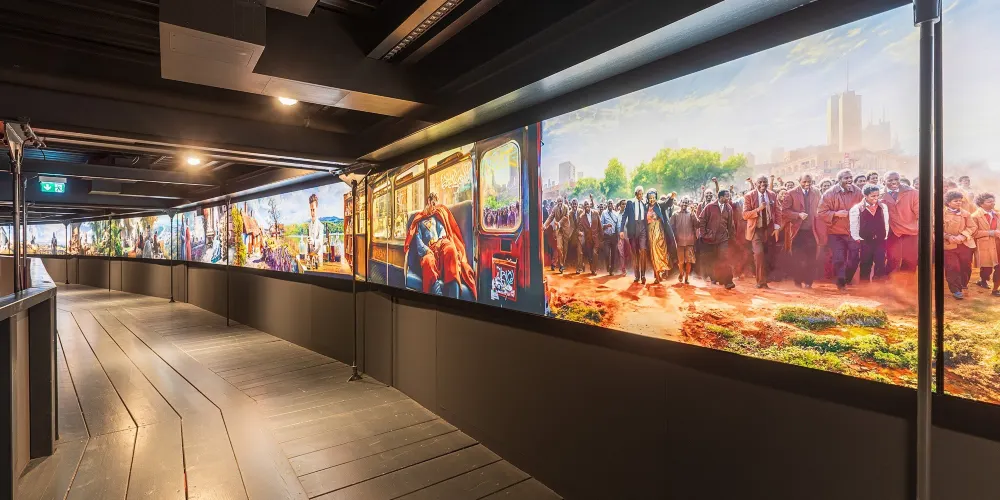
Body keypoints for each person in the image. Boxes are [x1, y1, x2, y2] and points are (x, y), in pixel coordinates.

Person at [403, 192, 478, 299]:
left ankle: (454, 297)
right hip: (428, 250)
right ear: (428, 202)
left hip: (439, 245)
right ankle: (438, 297)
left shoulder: (436, 218)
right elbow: (418, 241)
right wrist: (426, 250)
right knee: (428, 261)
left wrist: (442, 243)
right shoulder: (419, 221)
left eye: (436, 204)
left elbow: (443, 232)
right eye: (433, 204)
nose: (435, 207)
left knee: (450, 249)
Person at [819, 169, 864, 291]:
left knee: (855, 258)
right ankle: (841, 282)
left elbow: (864, 207)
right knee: (839, 259)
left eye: (850, 177)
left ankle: (846, 279)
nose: (849, 180)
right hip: (836, 233)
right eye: (846, 178)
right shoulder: (829, 194)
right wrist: (836, 214)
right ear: (839, 180)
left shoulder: (858, 192)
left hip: (853, 232)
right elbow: (821, 212)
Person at [781, 173, 823, 288]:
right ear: (799, 181)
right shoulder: (791, 193)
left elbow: (820, 208)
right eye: (804, 182)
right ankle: (798, 281)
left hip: (812, 231)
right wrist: (798, 215)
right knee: (798, 258)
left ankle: (809, 282)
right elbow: (784, 211)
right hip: (797, 231)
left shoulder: (816, 192)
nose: (807, 184)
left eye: (809, 182)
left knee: (811, 258)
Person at [743, 175, 780, 289]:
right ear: (756, 184)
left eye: (765, 182)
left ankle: (766, 279)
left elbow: (777, 211)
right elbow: (745, 215)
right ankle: (761, 282)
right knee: (759, 254)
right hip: (756, 230)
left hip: (768, 229)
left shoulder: (772, 195)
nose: (763, 184)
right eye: (760, 182)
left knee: (768, 256)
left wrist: (777, 226)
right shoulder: (749, 196)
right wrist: (758, 209)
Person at [880, 171, 919, 273]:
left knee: (910, 260)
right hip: (891, 232)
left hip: (910, 231)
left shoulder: (913, 193)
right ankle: (891, 281)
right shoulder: (879, 195)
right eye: (890, 180)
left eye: (896, 179)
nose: (894, 182)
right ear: (883, 181)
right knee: (892, 260)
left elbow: (920, 213)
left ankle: (907, 282)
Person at [850, 184, 890, 283]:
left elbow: (886, 221)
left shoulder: (883, 207)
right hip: (865, 240)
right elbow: (854, 224)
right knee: (866, 263)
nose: (876, 198)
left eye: (877, 195)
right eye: (873, 196)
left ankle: (878, 284)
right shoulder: (857, 208)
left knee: (880, 261)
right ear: (865, 196)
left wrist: (885, 235)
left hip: (880, 239)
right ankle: (864, 285)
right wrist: (857, 238)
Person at [699, 190, 737, 289]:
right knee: (713, 259)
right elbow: (702, 220)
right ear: (720, 197)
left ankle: (728, 281)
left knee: (724, 257)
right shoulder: (710, 206)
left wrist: (731, 237)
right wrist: (704, 234)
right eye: (727, 196)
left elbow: (730, 224)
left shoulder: (729, 208)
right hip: (710, 239)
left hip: (723, 238)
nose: (728, 198)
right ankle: (716, 278)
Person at [943, 190, 976, 299]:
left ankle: (963, 284)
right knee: (952, 267)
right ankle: (955, 290)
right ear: (948, 202)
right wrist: (948, 237)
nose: (959, 203)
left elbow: (972, 227)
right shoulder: (941, 214)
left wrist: (962, 236)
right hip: (949, 245)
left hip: (965, 245)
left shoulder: (966, 214)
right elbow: (935, 229)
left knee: (966, 266)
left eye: (960, 201)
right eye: (955, 201)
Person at [971, 193, 1000, 297]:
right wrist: (991, 233)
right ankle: (983, 280)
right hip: (985, 245)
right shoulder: (975, 216)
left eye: (993, 201)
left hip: (998, 243)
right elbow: (974, 233)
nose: (993, 203)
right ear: (981, 204)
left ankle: (995, 289)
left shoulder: (997, 214)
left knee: (998, 267)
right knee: (987, 267)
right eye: (989, 202)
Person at [621, 186, 649, 284]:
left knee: (643, 250)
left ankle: (643, 275)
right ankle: (637, 276)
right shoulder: (630, 203)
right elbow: (624, 216)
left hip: (643, 228)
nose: (641, 196)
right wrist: (621, 230)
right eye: (639, 194)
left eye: (642, 194)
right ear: (635, 194)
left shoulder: (645, 203)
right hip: (632, 230)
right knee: (635, 253)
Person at [645, 189, 674, 284]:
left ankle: (661, 273)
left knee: (661, 251)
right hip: (650, 231)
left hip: (659, 230)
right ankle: (657, 276)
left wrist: (671, 198)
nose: (652, 199)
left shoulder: (659, 205)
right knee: (653, 252)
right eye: (650, 198)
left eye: (653, 197)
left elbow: (667, 204)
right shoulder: (645, 207)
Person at [670, 197, 699, 284]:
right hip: (679, 242)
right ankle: (681, 273)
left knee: (689, 261)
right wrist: (672, 239)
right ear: (680, 203)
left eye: (686, 203)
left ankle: (686, 278)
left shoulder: (691, 214)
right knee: (681, 261)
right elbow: (671, 227)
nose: (684, 204)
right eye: (683, 202)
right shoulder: (675, 214)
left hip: (689, 242)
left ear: (688, 204)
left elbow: (697, 225)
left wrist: (694, 214)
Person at [543, 197, 570, 273]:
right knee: (559, 247)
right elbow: (550, 217)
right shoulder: (555, 208)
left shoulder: (566, 207)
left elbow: (566, 217)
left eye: (561, 201)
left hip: (565, 229)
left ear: (563, 201)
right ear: (556, 202)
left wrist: (559, 223)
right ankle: (561, 265)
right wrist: (545, 225)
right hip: (558, 231)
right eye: (558, 201)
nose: (560, 202)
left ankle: (562, 264)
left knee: (565, 248)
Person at [578, 200, 600, 274]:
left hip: (596, 238)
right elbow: (580, 227)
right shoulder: (582, 216)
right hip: (588, 239)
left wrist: (601, 236)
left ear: (590, 205)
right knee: (590, 255)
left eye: (587, 204)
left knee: (594, 253)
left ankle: (594, 269)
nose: (586, 205)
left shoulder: (596, 213)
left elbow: (600, 225)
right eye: (585, 204)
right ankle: (592, 268)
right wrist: (580, 231)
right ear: (583, 206)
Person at [601, 197, 621, 275]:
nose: (610, 205)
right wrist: (606, 225)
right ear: (607, 205)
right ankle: (608, 266)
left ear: (613, 205)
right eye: (609, 203)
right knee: (606, 253)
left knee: (613, 254)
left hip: (614, 236)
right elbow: (601, 224)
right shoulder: (604, 213)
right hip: (606, 236)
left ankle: (611, 270)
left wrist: (618, 236)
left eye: (611, 203)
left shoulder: (616, 214)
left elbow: (618, 226)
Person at [307, 193, 325, 268]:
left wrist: (314, 241)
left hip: (318, 259)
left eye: (313, 210)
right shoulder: (309, 225)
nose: (312, 212)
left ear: (317, 209)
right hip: (311, 258)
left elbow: (321, 242)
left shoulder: (321, 226)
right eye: (311, 210)